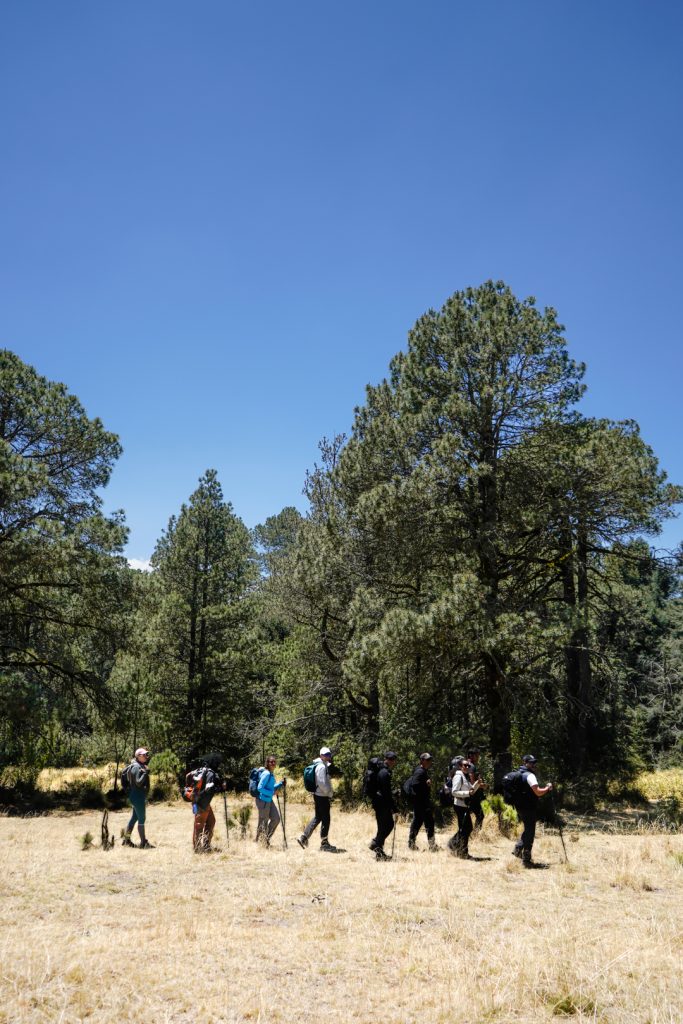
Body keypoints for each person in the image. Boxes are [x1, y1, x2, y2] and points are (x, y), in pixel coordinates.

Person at [512, 754, 553, 867]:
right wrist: (547, 788)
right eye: (531, 762)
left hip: (520, 807)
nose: (534, 764)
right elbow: (538, 792)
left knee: (528, 829)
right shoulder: (530, 776)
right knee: (530, 833)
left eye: (534, 762)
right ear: (525, 763)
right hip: (528, 807)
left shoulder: (519, 773)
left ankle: (518, 849)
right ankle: (526, 860)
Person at [298, 746, 338, 852]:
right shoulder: (321, 767)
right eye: (326, 755)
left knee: (318, 817)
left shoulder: (321, 765)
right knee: (326, 819)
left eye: (329, 754)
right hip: (322, 796)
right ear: (321, 756)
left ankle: (304, 838)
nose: (328, 756)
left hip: (319, 795)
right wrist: (329, 793)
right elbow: (322, 783)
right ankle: (324, 844)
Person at [448, 757, 484, 858]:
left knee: (465, 828)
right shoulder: (458, 776)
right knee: (466, 828)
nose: (467, 767)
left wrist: (477, 784)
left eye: (468, 766)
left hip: (464, 805)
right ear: (460, 766)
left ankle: (455, 845)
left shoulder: (465, 776)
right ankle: (462, 851)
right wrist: (467, 793)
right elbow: (454, 792)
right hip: (459, 806)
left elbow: (471, 791)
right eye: (465, 765)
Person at [192, 753, 226, 853]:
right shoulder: (210, 773)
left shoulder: (201, 770)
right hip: (202, 802)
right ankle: (198, 848)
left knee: (211, 821)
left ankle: (206, 845)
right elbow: (209, 789)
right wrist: (220, 788)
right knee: (199, 824)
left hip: (198, 800)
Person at [122, 747, 154, 849]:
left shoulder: (138, 765)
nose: (146, 756)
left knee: (134, 818)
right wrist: (145, 773)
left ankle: (126, 840)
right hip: (137, 796)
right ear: (138, 756)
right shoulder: (136, 767)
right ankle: (143, 843)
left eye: (146, 754)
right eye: (144, 755)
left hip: (136, 795)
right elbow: (138, 782)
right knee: (142, 819)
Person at [369, 752, 398, 861]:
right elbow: (386, 792)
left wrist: (393, 793)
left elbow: (383, 789)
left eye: (393, 759)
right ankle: (376, 843)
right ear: (386, 759)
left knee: (382, 828)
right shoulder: (384, 773)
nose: (392, 761)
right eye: (391, 759)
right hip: (382, 803)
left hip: (378, 802)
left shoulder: (382, 771)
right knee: (388, 825)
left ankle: (379, 853)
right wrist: (394, 808)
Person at [407, 753, 438, 851]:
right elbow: (415, 785)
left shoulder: (422, 770)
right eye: (427, 760)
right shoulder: (420, 771)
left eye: (430, 760)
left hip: (420, 802)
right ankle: (432, 846)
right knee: (430, 823)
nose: (429, 762)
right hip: (422, 802)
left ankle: (411, 843)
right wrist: (426, 784)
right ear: (422, 760)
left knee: (417, 822)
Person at [255, 755, 286, 845]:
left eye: (274, 762)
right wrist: (272, 793)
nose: (273, 763)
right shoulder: (267, 774)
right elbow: (260, 788)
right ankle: (260, 842)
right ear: (267, 763)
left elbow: (271, 787)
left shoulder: (270, 773)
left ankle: (265, 838)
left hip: (268, 800)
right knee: (263, 822)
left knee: (276, 818)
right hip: (263, 800)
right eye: (271, 762)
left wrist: (280, 784)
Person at [466, 748, 487, 830]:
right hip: (472, 796)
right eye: (477, 755)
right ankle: (475, 833)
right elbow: (472, 782)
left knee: (468, 815)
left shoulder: (466, 764)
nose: (478, 757)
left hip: (468, 794)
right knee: (480, 815)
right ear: (471, 756)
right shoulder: (471, 766)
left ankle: (470, 832)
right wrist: (483, 785)